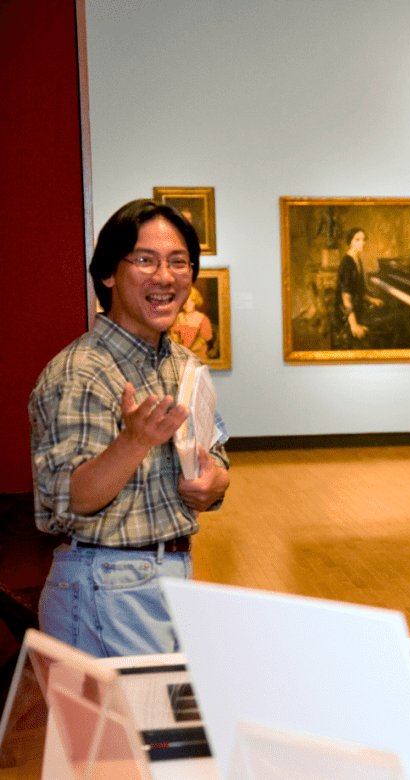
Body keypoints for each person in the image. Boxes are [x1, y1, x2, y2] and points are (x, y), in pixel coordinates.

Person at [30, 199, 231, 658]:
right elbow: (70, 500)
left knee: (161, 708)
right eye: (145, 260)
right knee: (134, 709)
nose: (165, 277)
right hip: (106, 582)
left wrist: (214, 483)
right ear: (107, 273)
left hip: (172, 571)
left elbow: (216, 456)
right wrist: (134, 441)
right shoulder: (80, 371)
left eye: (178, 262)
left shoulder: (183, 363)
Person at [333, 227, 386, 349]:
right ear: (350, 242)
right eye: (357, 239)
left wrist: (371, 299)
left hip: (357, 306)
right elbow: (345, 296)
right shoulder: (347, 263)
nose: (362, 242)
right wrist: (354, 324)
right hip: (345, 313)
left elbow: (358, 290)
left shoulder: (357, 259)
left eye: (363, 239)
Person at [169, 286, 213, 362]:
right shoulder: (179, 317)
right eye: (183, 302)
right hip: (182, 355)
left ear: (195, 302)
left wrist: (188, 351)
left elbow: (202, 340)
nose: (185, 305)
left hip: (197, 355)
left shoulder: (202, 319)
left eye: (188, 302)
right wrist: (179, 348)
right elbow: (174, 335)